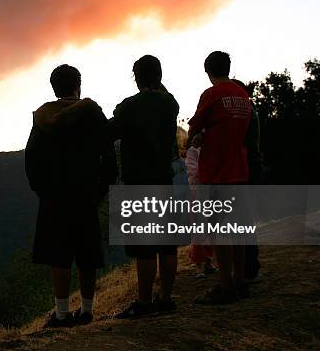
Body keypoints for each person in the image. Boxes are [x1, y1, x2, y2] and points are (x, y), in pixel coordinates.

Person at [25, 64, 118, 328]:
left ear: (54, 88)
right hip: (86, 193)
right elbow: (108, 155)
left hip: (54, 196)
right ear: (79, 85)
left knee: (59, 254)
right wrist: (101, 189)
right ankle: (87, 311)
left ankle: (62, 314)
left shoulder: (43, 117)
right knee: (87, 252)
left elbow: (31, 160)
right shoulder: (92, 113)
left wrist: (42, 191)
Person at [110, 55, 180, 318]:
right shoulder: (170, 103)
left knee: (145, 247)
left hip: (139, 181)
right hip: (164, 178)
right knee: (167, 245)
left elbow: (110, 132)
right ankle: (165, 298)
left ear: (136, 77)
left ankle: (143, 302)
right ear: (160, 76)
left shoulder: (130, 106)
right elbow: (165, 94)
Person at [188, 51, 252, 305]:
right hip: (239, 167)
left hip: (216, 171)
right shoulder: (242, 94)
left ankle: (225, 286)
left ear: (208, 71)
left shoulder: (212, 94)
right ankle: (239, 280)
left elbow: (194, 128)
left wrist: (197, 137)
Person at [231, 79, 262, 282]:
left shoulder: (245, 112)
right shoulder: (252, 110)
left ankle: (247, 268)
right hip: (254, 165)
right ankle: (249, 266)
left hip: (246, 167)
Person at [185, 144, 217, 278]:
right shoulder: (192, 151)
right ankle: (199, 266)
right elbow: (194, 173)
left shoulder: (210, 148)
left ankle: (208, 261)